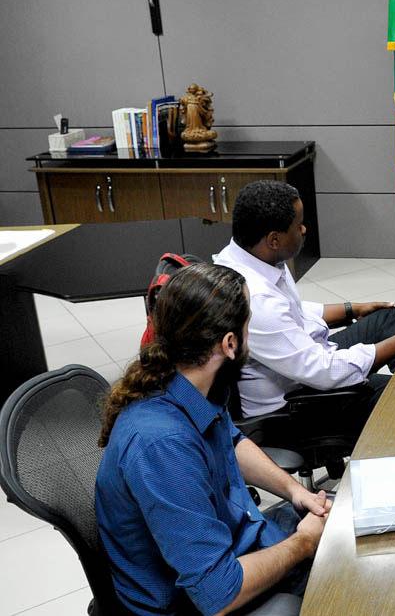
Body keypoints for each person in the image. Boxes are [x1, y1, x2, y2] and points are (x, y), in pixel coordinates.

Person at [96, 263, 330, 615]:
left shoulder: (189, 383)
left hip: (237, 542)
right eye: (249, 323)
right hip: (205, 597)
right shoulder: (162, 445)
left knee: (352, 526)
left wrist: (295, 491)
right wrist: (304, 542)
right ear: (230, 343)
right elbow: (218, 593)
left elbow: (231, 442)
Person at [213, 180, 395, 419]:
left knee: (386, 318)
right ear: (274, 240)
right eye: (298, 225)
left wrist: (352, 309)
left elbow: (292, 311)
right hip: (295, 404)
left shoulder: (253, 256)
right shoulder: (256, 300)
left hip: (305, 361)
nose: (304, 230)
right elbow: (324, 371)